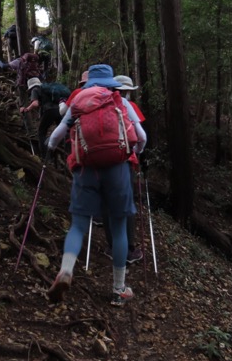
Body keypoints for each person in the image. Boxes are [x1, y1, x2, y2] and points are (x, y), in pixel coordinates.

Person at [43, 64, 147, 307]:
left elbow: (58, 133)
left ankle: (66, 271)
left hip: (86, 169)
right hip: (118, 169)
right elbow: (141, 137)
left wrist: (49, 147)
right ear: (111, 82)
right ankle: (118, 289)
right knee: (119, 227)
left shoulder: (79, 100)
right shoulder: (118, 100)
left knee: (79, 224)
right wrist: (136, 152)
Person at [102, 75, 145, 264]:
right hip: (124, 159)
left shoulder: (99, 104)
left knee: (106, 203)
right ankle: (128, 249)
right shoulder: (130, 106)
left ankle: (112, 246)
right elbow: (140, 135)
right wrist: (137, 152)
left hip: (100, 160)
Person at [21, 78, 71, 153]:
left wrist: (27, 109)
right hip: (59, 110)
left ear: (31, 87)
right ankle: (68, 150)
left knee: (41, 132)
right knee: (63, 130)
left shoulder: (35, 90)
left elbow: (35, 103)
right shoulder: (46, 89)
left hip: (49, 111)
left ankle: (45, 155)